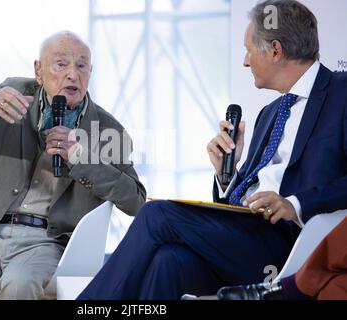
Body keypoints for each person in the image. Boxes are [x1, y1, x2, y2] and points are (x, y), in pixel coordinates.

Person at [77, 0, 347, 300]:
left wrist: (294, 203)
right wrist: (225, 177)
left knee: (157, 215)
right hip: (243, 235)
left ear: (274, 50)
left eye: (249, 50)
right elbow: (241, 195)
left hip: (289, 243)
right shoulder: (270, 113)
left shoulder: (341, 92)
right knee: (167, 261)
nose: (245, 62)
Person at [0, 31, 146, 300]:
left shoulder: (107, 129)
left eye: (81, 65)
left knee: (19, 285)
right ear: (38, 71)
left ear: (90, 72)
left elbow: (136, 200)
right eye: (61, 63)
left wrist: (80, 157)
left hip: (44, 242)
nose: (72, 74)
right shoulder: (15, 96)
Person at [217, 216, 347, 300]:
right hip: (241, 220)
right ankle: (294, 287)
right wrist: (225, 183)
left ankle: (294, 287)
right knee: (336, 285)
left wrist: (296, 204)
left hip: (282, 227)